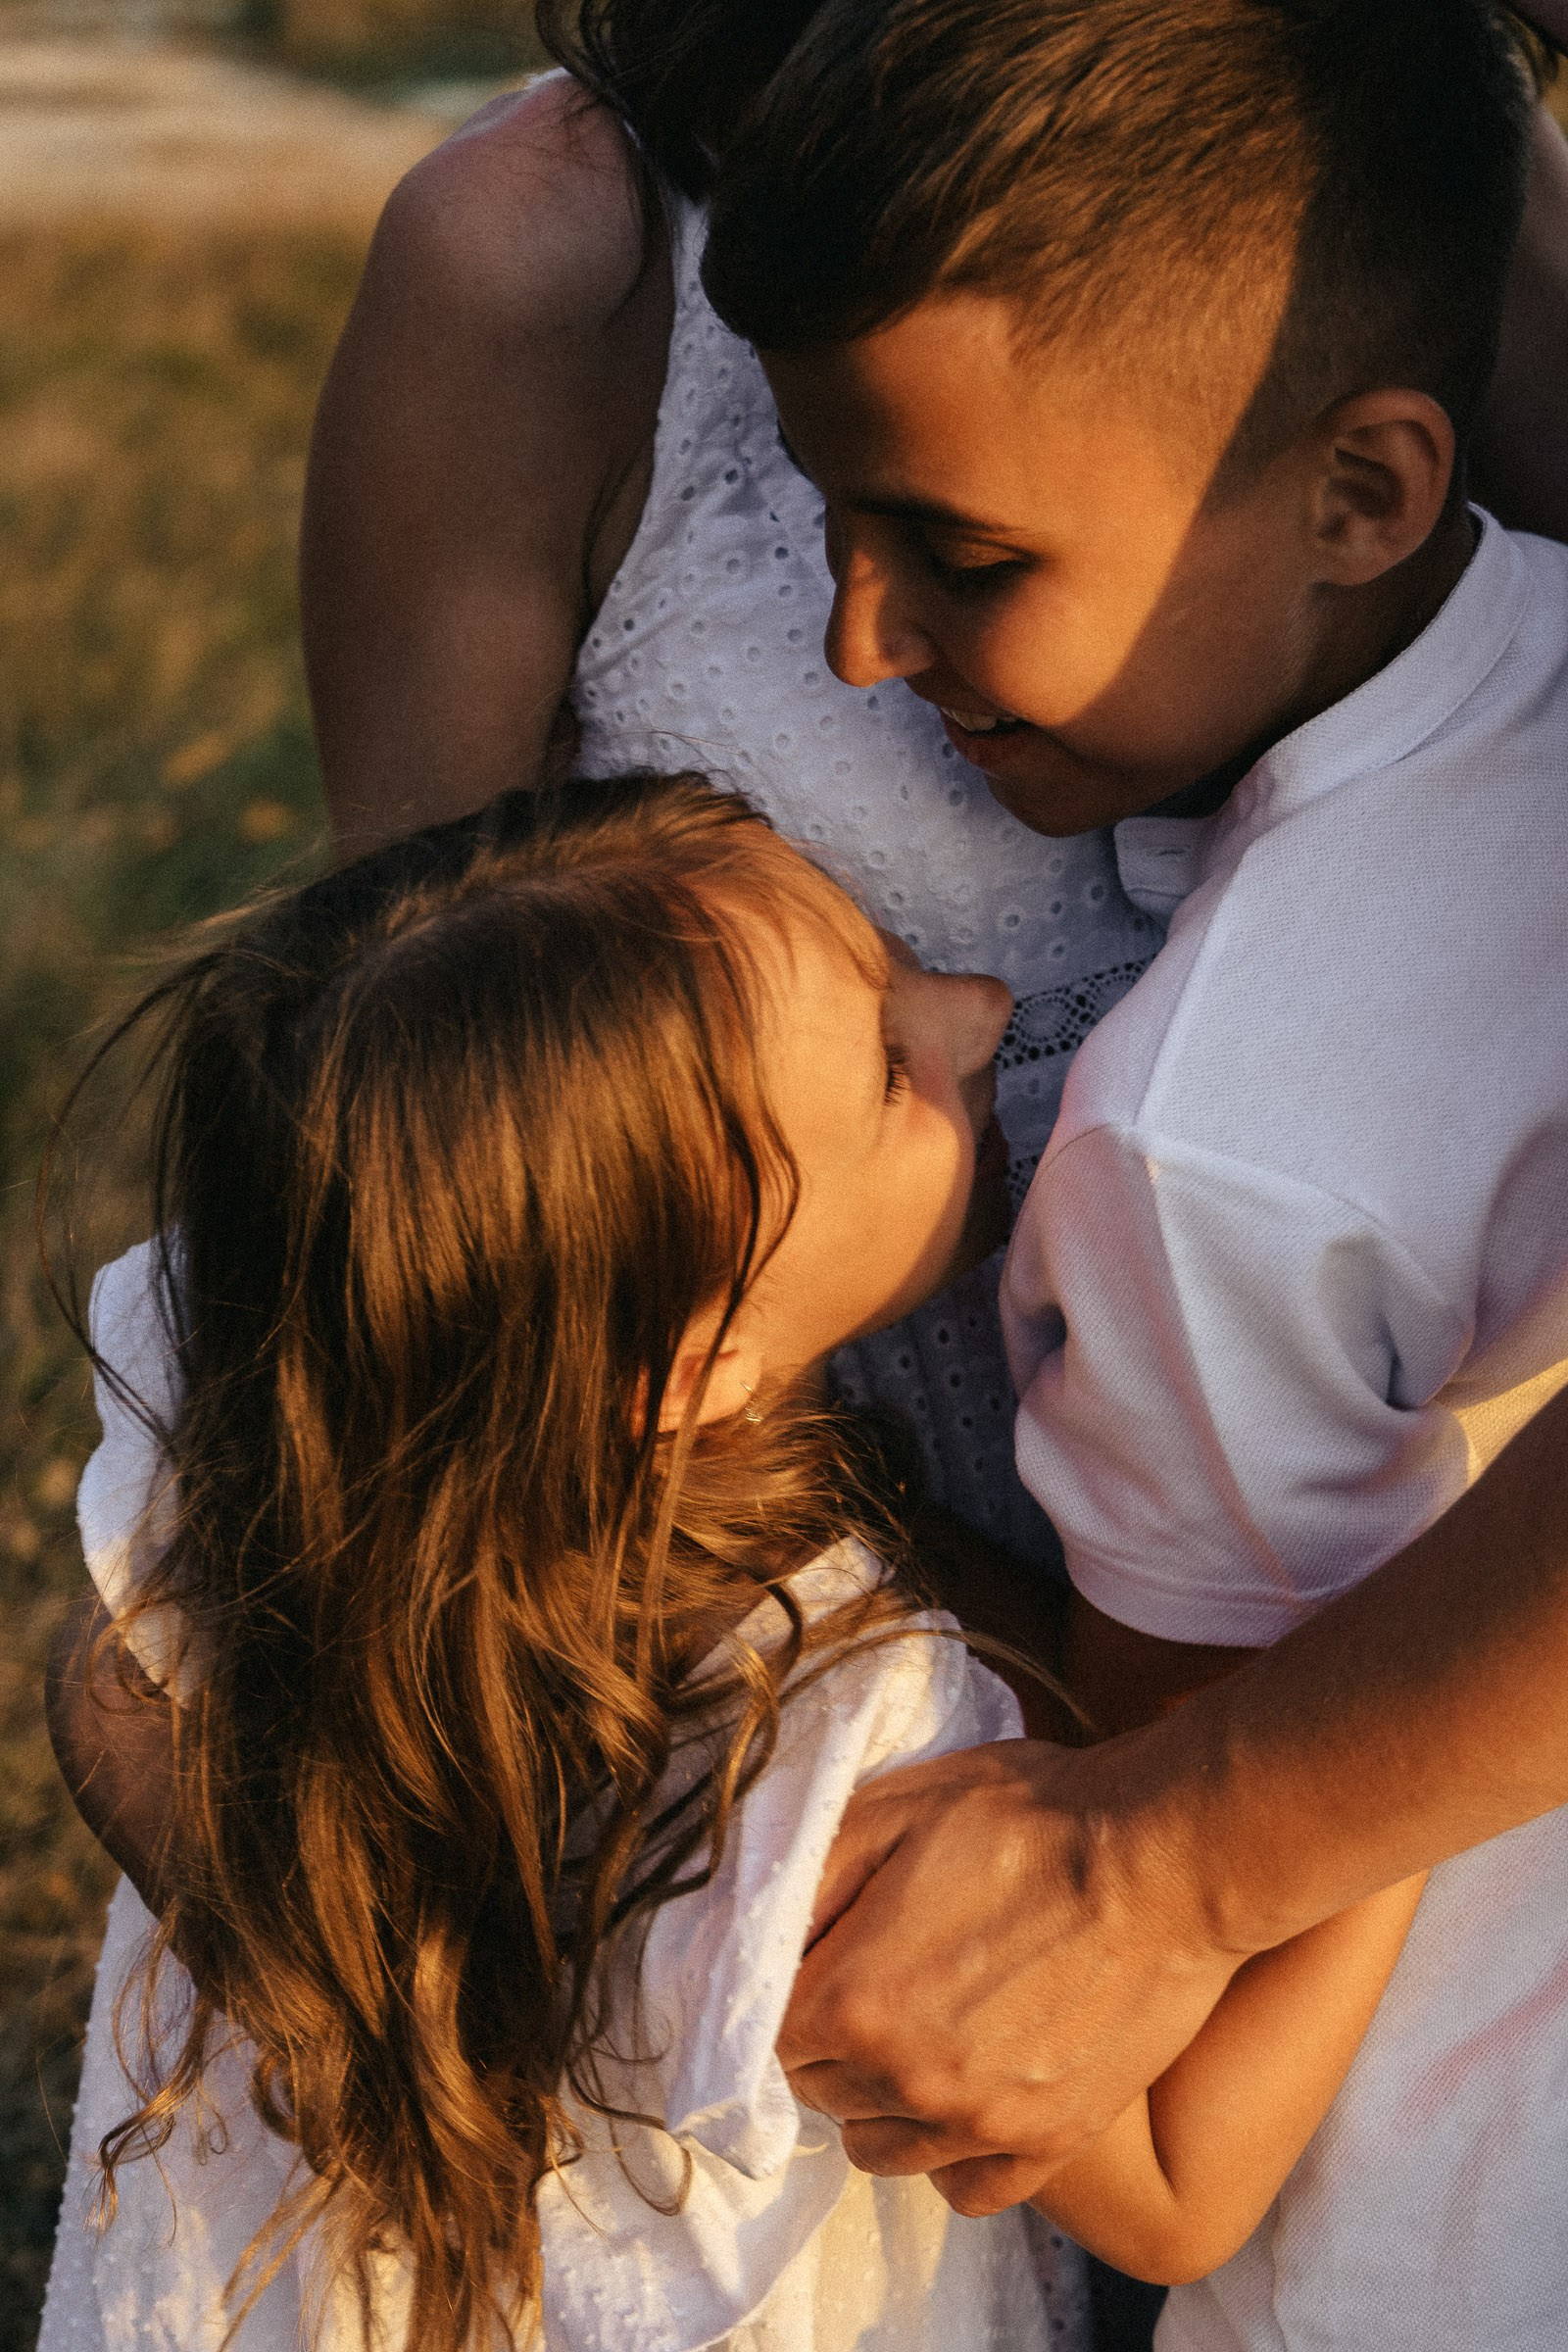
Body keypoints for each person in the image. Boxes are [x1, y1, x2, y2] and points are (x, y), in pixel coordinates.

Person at [41, 773, 1430, 2350]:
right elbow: (1182, 2178)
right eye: (896, 1067)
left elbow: (97, 1685)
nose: (979, 1015)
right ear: (685, 1367)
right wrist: (1393, 1657)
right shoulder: (808, 1760)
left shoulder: (249, 1464)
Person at [697, 2, 1568, 2344]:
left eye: (957, 552)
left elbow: (1159, 2064)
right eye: (824, 519)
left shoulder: (1215, 1163)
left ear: (1362, 493)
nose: (856, 639)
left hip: (1424, 2219)